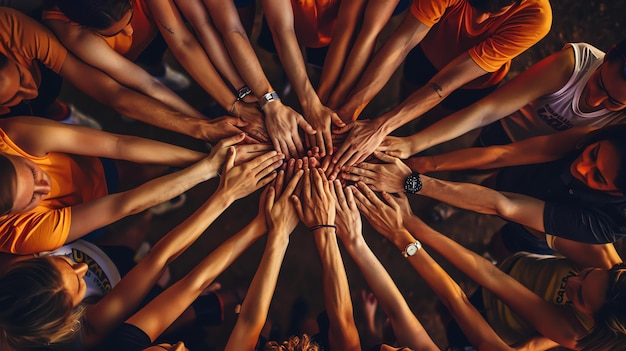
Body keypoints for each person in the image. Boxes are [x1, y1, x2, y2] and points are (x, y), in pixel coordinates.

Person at [0, 147, 282, 350]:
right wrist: (226, 196)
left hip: (104, 255)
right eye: (78, 283)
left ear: (25, 264)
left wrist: (225, 191)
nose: (81, 267)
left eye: (56, 262)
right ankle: (225, 296)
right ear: (69, 319)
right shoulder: (80, 336)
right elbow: (156, 261)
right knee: (164, 288)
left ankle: (147, 221)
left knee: (129, 242)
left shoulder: (13, 253)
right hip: (118, 284)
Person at [350, 183, 626, 350]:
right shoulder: (601, 254)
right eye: (588, 274)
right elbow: (488, 273)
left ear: (595, 324)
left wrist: (405, 231)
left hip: (498, 321)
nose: (574, 281)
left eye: (579, 297)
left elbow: (462, 298)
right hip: (513, 269)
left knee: (454, 323)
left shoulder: (576, 334)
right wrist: (412, 202)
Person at [343, 124, 626, 268]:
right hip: (524, 179)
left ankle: (489, 255)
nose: (581, 166)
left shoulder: (607, 224)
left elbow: (504, 206)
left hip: (545, 229)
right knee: (495, 182)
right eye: (592, 154)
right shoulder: (598, 136)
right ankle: (454, 207)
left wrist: (410, 181)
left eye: (597, 177)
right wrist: (420, 162)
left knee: (506, 243)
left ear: (617, 192)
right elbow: (505, 154)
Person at [327, 0, 552, 179]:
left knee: (435, 118)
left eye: (493, 13)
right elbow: (402, 43)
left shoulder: (536, 17)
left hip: (471, 82)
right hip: (428, 50)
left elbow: (448, 82)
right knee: (407, 88)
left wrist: (381, 126)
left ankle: (415, 132)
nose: (481, 19)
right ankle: (397, 114)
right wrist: (351, 109)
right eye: (475, 5)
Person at [0, 116, 279, 254]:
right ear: (11, 214)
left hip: (92, 165)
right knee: (133, 225)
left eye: (33, 172)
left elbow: (116, 143)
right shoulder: (19, 234)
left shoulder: (12, 136)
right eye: (32, 199)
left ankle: (165, 183)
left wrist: (210, 160)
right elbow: (123, 204)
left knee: (144, 168)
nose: (45, 187)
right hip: (88, 214)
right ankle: (155, 209)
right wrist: (207, 169)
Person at [0, 7, 246, 143]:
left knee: (153, 56)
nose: (129, 31)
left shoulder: (13, 28)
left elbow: (182, 42)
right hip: (121, 63)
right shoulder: (68, 32)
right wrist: (202, 123)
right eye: (113, 33)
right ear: (83, 28)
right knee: (45, 104)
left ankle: (159, 67)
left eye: (22, 77)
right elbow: (130, 87)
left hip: (150, 40)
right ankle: (65, 114)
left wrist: (234, 104)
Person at [377, 39, 626, 159]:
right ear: (608, 56)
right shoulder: (572, 64)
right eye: (600, 84)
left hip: (546, 158)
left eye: (613, 103)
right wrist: (413, 144)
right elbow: (487, 109)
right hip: (507, 129)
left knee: (489, 177)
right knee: (476, 158)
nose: (594, 101)